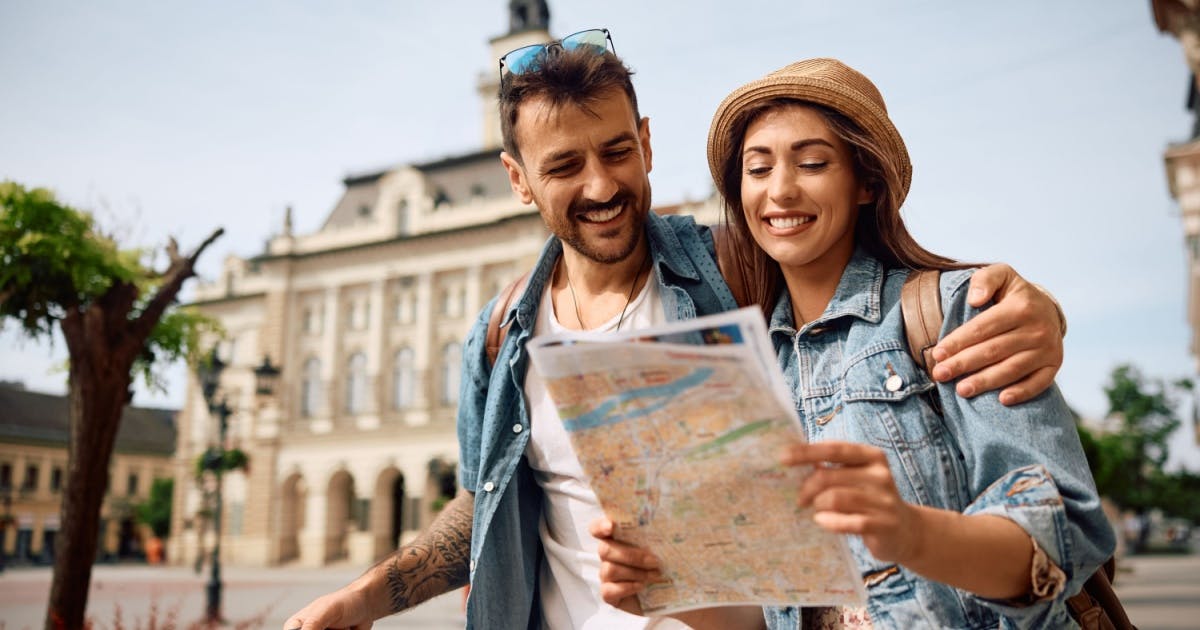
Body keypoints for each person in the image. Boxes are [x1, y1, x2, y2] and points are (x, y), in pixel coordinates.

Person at [284, 34, 1070, 630]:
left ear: (648, 142)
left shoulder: (738, 270)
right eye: (563, 167)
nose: (600, 185)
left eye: (617, 151)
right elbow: (487, 503)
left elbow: (865, 287)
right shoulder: (499, 336)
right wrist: (364, 598)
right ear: (519, 180)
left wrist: (1033, 309)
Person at [593, 58, 1114, 629]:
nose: (781, 191)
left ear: (867, 181)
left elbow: (1064, 536)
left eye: (812, 163)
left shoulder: (959, 311)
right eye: (757, 169)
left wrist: (909, 532)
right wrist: (669, 591)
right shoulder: (753, 370)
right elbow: (782, 611)